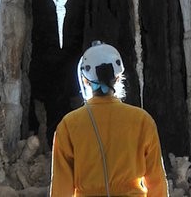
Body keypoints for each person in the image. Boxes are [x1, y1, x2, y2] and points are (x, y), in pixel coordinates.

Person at [50, 41, 169, 197]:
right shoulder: (142, 120)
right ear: (119, 77)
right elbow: (157, 182)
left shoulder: (69, 125)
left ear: (85, 80)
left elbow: (61, 187)